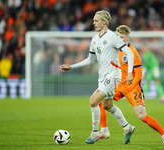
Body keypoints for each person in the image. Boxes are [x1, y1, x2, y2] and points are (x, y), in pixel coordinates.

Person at [60, 10, 136, 144]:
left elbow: (129, 53)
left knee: (93, 101)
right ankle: (127, 127)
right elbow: (90, 60)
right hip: (102, 77)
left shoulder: (113, 37)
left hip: (113, 75)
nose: (93, 23)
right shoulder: (95, 39)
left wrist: (129, 72)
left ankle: (95, 133)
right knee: (107, 105)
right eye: (94, 21)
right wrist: (71, 66)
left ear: (104, 22)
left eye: (96, 21)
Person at [99, 25, 164, 143]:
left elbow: (138, 75)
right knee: (101, 101)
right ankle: (107, 130)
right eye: (118, 36)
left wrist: (128, 88)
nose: (119, 39)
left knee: (141, 115)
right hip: (119, 84)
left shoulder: (133, 52)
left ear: (128, 38)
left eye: (122, 37)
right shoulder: (115, 50)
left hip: (133, 87)